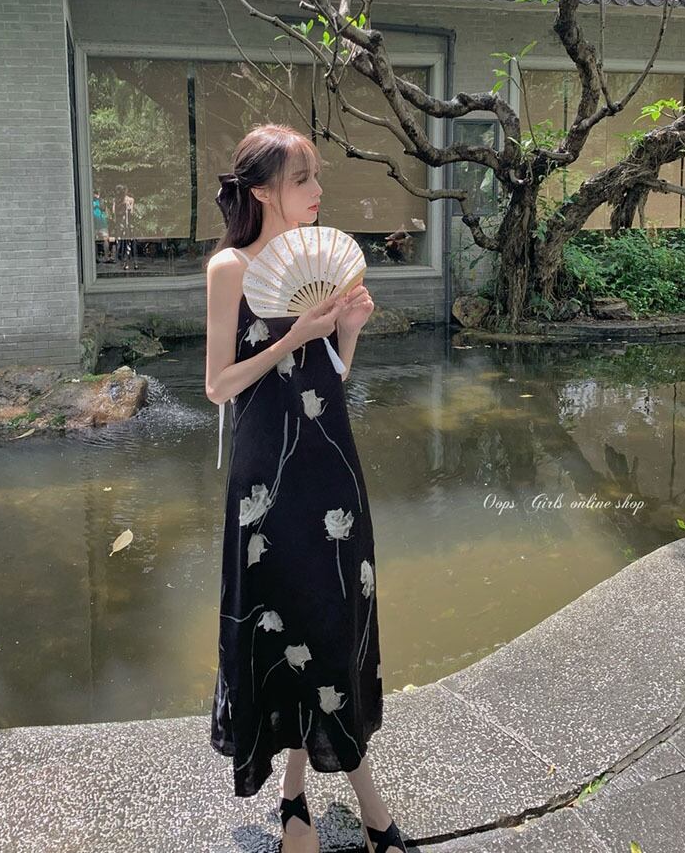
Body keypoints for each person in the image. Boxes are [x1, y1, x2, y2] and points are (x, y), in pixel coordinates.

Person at [205, 123, 408, 853]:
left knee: (330, 623)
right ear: (262, 191)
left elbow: (325, 386)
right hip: (268, 479)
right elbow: (218, 385)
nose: (318, 190)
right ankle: (361, 809)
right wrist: (291, 336)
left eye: (316, 176)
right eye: (302, 179)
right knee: (283, 624)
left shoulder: (320, 265)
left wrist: (346, 330)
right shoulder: (231, 268)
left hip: (331, 469)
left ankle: (298, 797)